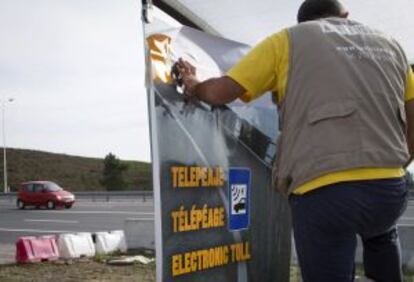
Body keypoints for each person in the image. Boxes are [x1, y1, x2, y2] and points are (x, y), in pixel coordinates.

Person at [175, 0, 414, 281]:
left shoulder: (289, 40)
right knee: (381, 233)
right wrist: (397, 164)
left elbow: (220, 92)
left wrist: (192, 83)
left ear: (303, 23)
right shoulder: (391, 46)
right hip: (388, 190)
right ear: (345, 16)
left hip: (324, 191)